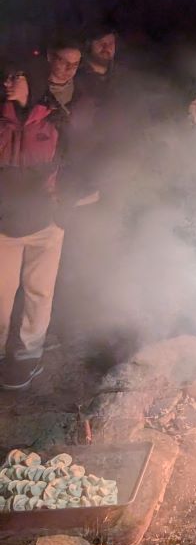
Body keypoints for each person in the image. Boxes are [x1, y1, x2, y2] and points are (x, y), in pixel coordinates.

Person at [0, 37, 91, 389]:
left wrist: (68, 202)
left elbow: (70, 166)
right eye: (6, 76)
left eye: (16, 76)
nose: (9, 82)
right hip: (5, 226)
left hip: (45, 224)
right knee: (1, 295)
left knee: (39, 293)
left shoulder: (54, 119)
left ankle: (26, 358)